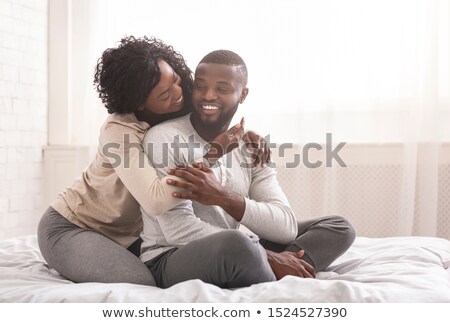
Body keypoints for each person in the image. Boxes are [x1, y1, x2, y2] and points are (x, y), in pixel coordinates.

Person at [37, 37, 269, 286]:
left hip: (129, 236)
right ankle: (68, 258)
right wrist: (213, 154)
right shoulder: (119, 131)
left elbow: (214, 115)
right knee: (139, 283)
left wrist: (246, 136)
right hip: (76, 226)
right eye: (166, 93)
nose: (180, 93)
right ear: (140, 102)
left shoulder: (176, 103)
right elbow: (156, 200)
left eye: (177, 81)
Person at [140, 49, 356, 288]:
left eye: (222, 89)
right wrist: (268, 255)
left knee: (339, 227)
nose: (208, 96)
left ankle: (278, 268)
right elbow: (177, 230)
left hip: (234, 248)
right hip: (170, 256)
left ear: (242, 94)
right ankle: (274, 267)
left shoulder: (250, 146)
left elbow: (285, 228)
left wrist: (223, 197)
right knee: (240, 247)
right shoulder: (163, 138)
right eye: (201, 87)